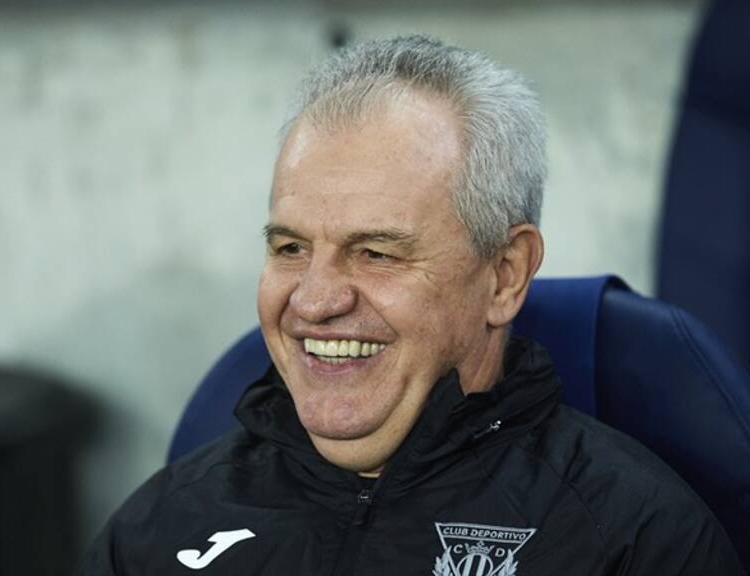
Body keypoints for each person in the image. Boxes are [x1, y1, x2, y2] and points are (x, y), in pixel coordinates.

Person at [83, 36, 745, 575]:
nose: (314, 300)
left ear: (505, 276)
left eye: (375, 252)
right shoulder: (159, 527)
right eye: (289, 247)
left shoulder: (636, 539)